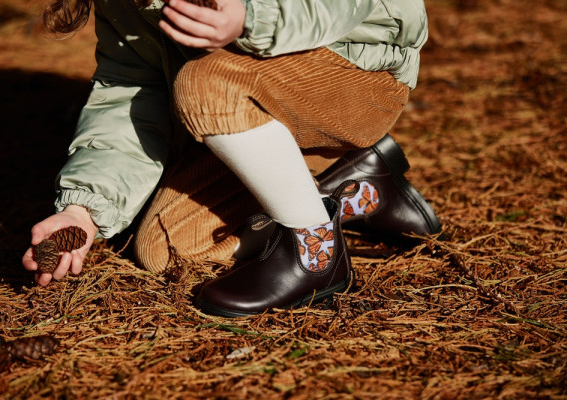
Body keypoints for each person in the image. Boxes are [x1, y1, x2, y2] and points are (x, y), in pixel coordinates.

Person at [22, 0, 440, 317]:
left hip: (358, 68)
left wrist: (253, 16)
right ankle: (356, 187)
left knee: (209, 85)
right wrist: (83, 209)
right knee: (165, 247)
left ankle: (318, 256)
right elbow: (131, 94)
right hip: (246, 99)